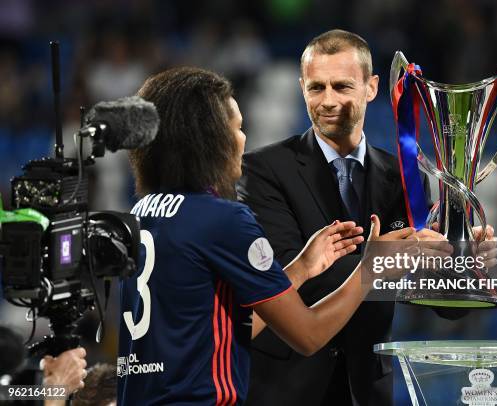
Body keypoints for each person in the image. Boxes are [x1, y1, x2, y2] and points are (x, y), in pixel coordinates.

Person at [117, 66, 418, 405]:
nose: (243, 140)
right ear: (210, 139)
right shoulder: (222, 218)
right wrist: (370, 269)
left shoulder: (140, 214)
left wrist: (301, 269)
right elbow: (307, 334)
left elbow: (224, 331)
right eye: (238, 128)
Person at [237, 29, 497, 406]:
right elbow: (287, 278)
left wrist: (459, 260)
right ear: (301, 88)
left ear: (371, 87)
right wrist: (387, 259)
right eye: (316, 88)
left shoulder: (405, 179)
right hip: (284, 389)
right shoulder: (262, 171)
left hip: (366, 390)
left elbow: (439, 301)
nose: (328, 100)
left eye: (342, 86)